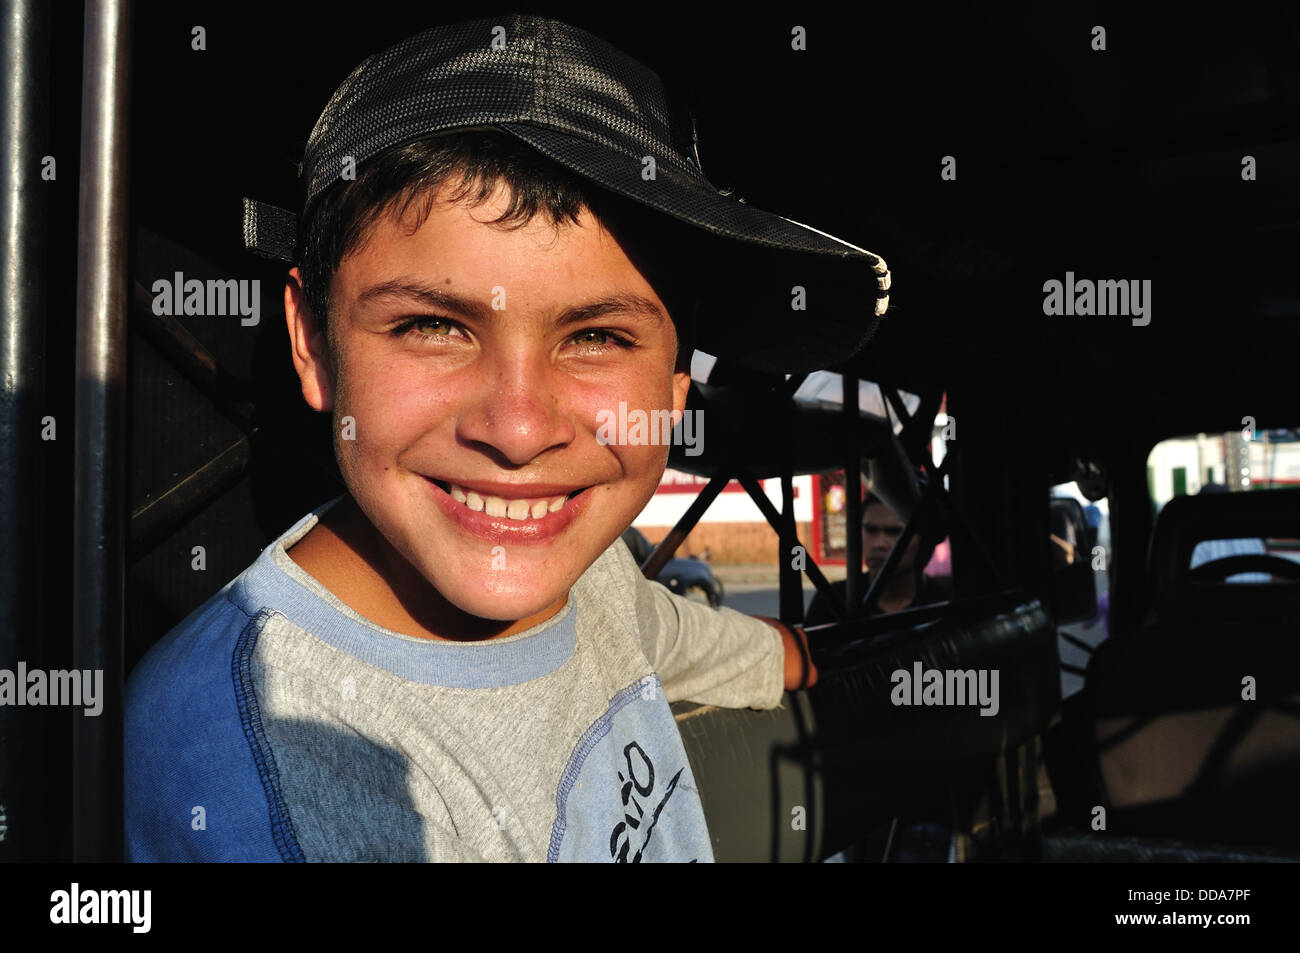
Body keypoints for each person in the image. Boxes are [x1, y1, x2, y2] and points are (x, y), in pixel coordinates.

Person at [123, 16, 892, 862]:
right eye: (430, 324)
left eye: (597, 336)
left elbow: (664, 632)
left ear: (675, 390)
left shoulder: (585, 573)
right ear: (312, 342)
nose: (520, 431)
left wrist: (791, 653)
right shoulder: (261, 779)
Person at [805, 491, 950, 626]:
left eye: (895, 532)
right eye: (870, 530)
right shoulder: (833, 600)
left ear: (924, 541)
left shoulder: (943, 603)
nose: (878, 544)